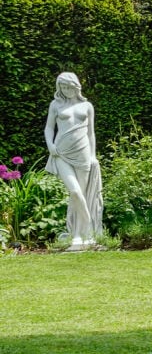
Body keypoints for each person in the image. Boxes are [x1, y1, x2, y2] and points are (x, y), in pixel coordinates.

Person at [44, 71, 103, 246]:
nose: (66, 90)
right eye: (62, 87)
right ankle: (90, 228)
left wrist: (93, 156)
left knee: (80, 195)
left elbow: (91, 133)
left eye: (68, 86)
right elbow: (48, 128)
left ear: (76, 86)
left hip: (83, 153)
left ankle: (78, 235)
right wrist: (50, 146)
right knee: (75, 192)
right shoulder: (55, 105)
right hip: (61, 153)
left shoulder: (87, 106)